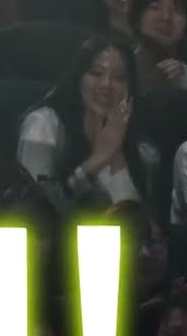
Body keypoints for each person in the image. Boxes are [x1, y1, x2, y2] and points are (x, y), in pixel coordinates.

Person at [16, 36, 160, 210]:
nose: (106, 84)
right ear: (78, 78)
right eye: (96, 73)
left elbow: (132, 219)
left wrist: (117, 155)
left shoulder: (144, 149)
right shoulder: (43, 126)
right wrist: (96, 162)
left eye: (119, 78)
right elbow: (39, 202)